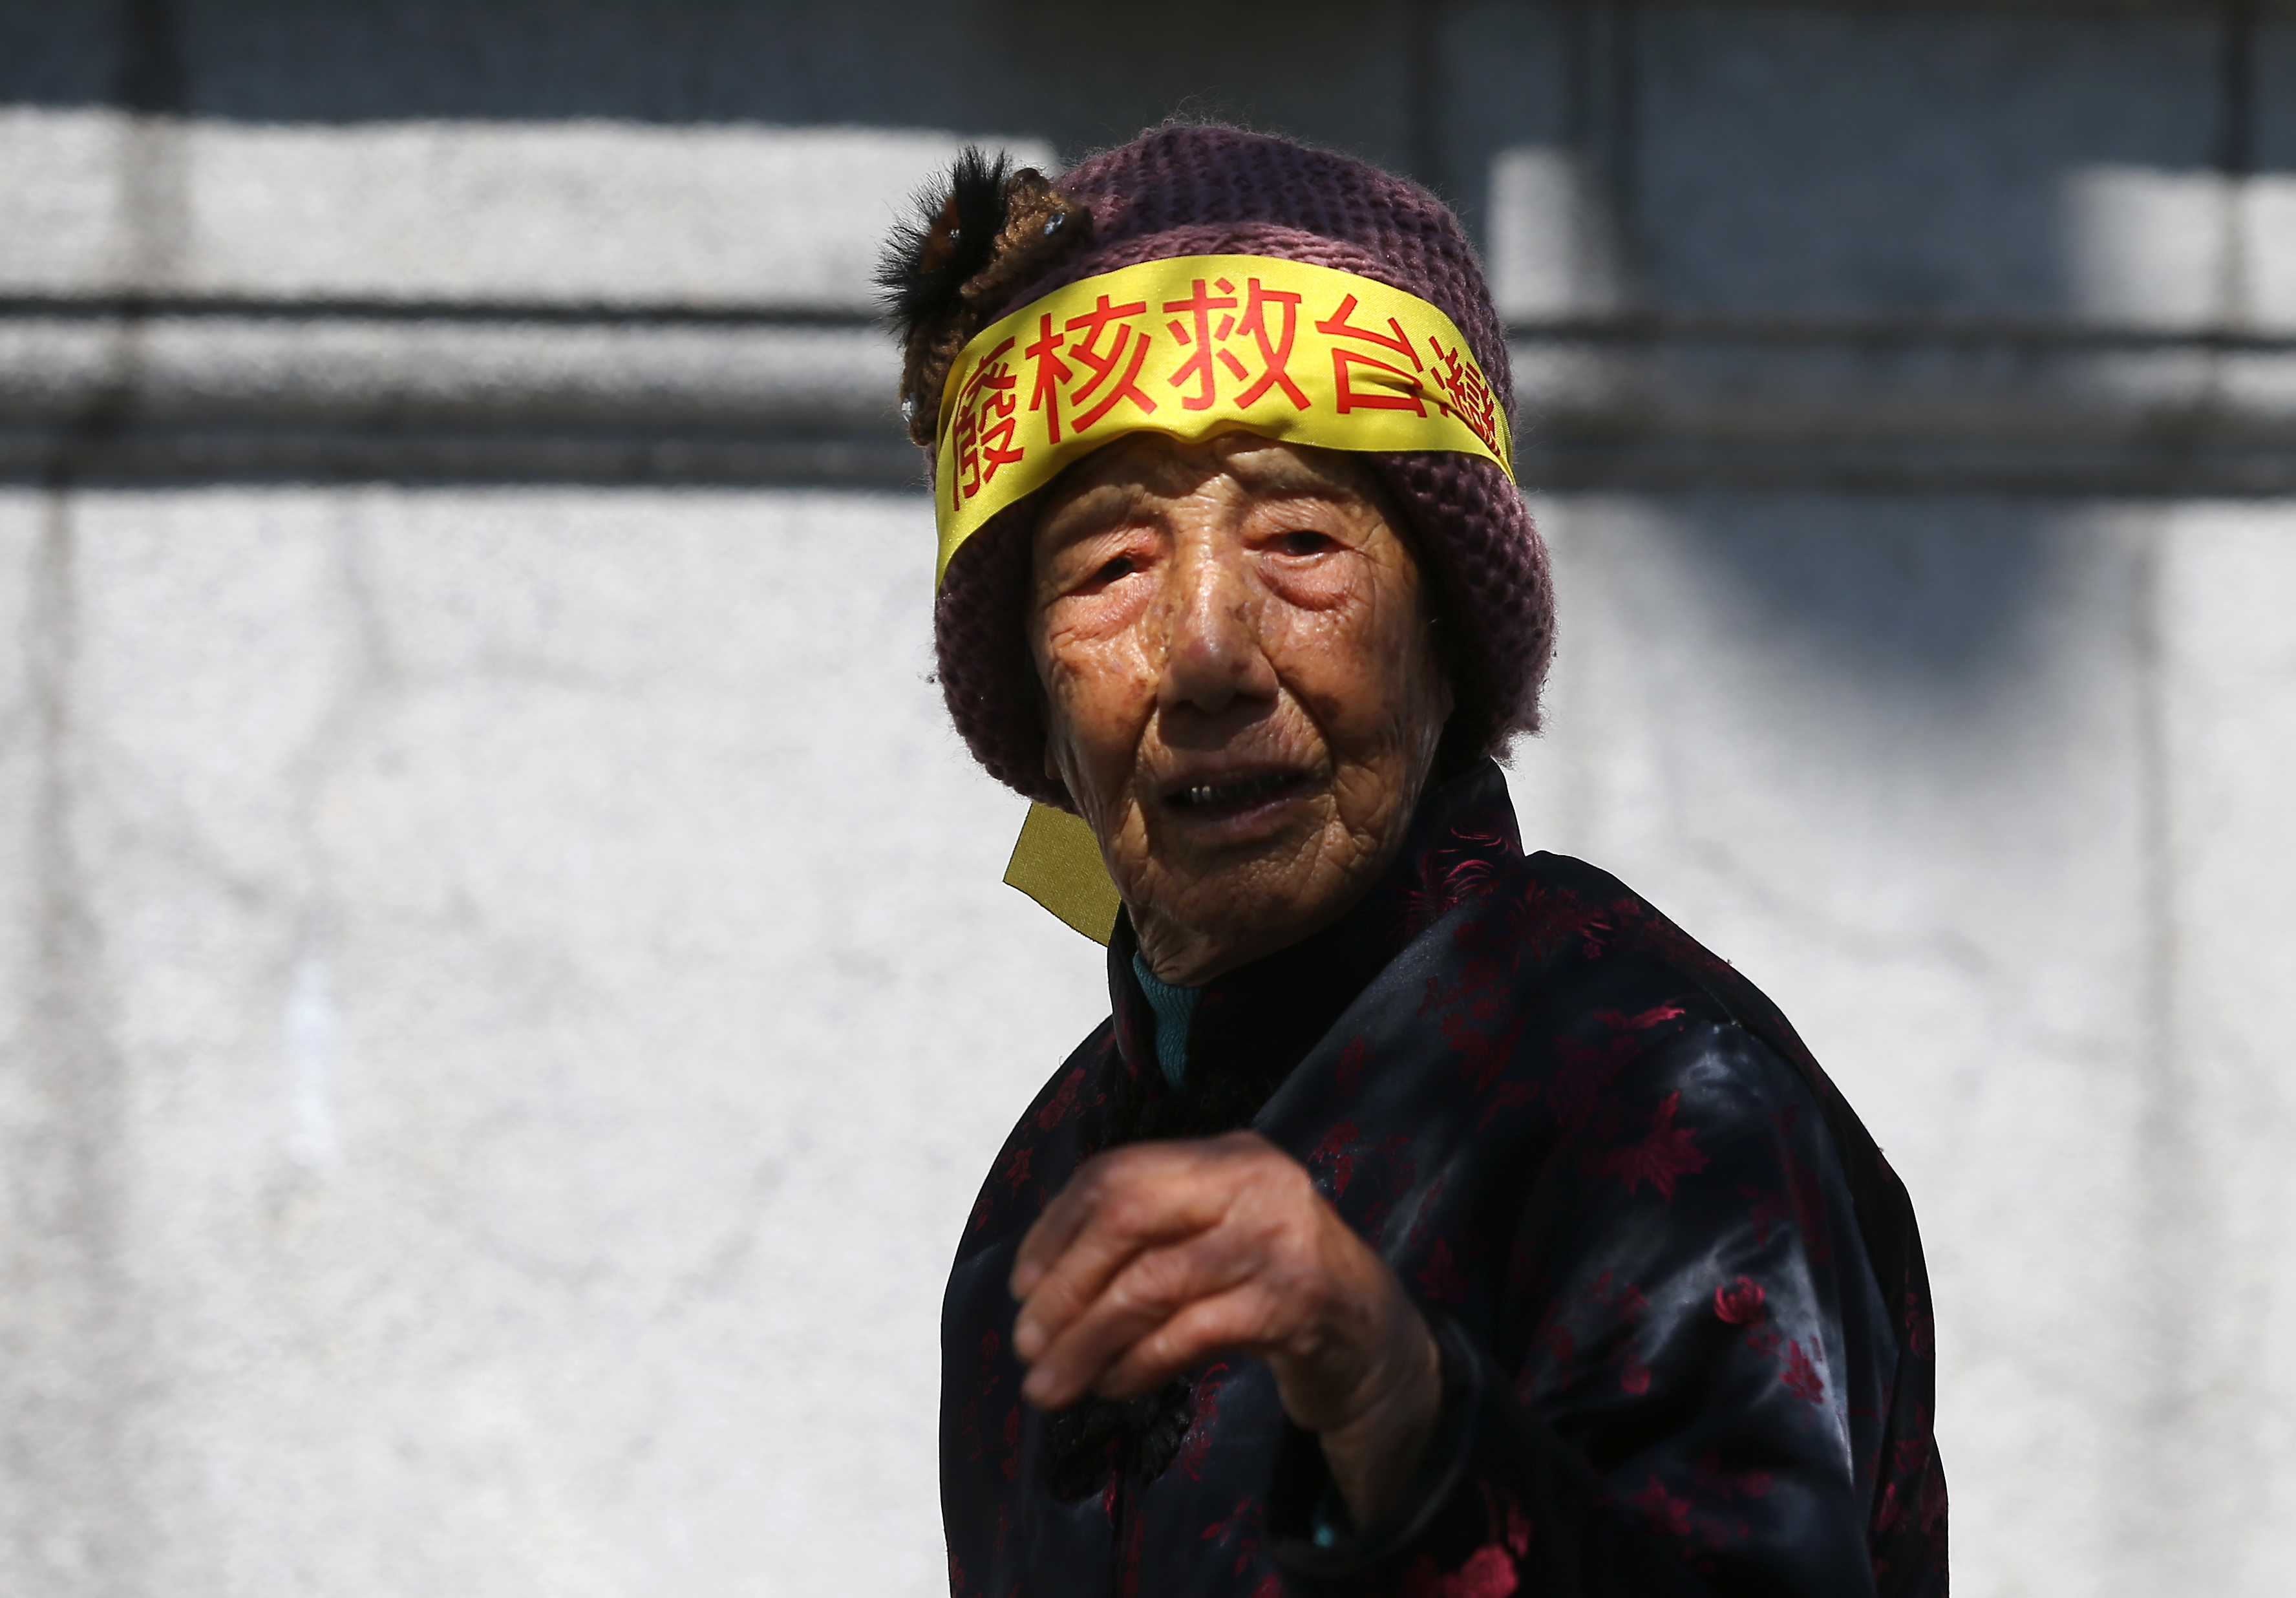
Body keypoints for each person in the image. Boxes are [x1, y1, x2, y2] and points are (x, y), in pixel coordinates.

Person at [880, 125, 1946, 1597]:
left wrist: (1404, 1419)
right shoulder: (1037, 1204)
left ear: (1443, 632)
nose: (1205, 652)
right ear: (1039, 702)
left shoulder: (1648, 1095)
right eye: (1112, 565)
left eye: (1304, 540)